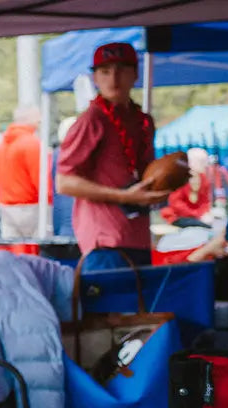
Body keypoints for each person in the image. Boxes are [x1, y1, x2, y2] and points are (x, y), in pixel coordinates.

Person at [56, 42, 171, 269]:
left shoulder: (143, 121)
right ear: (95, 78)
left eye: (121, 70)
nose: (114, 78)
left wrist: (167, 179)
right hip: (104, 241)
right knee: (110, 304)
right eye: (105, 72)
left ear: (135, 74)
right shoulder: (91, 120)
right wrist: (125, 197)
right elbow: (64, 182)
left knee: (138, 303)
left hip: (137, 236)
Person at [0, 106, 45, 238]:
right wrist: (48, 200)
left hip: (6, 205)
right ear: (30, 119)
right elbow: (40, 179)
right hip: (31, 206)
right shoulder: (32, 143)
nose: (40, 121)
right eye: (38, 118)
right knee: (36, 252)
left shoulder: (2, 144)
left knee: (12, 253)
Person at [164, 148, 219, 228]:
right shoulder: (179, 178)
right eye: (202, 161)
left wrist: (202, 213)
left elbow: (205, 201)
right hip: (178, 217)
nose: (206, 165)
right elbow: (176, 203)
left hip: (197, 217)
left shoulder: (203, 179)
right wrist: (196, 214)